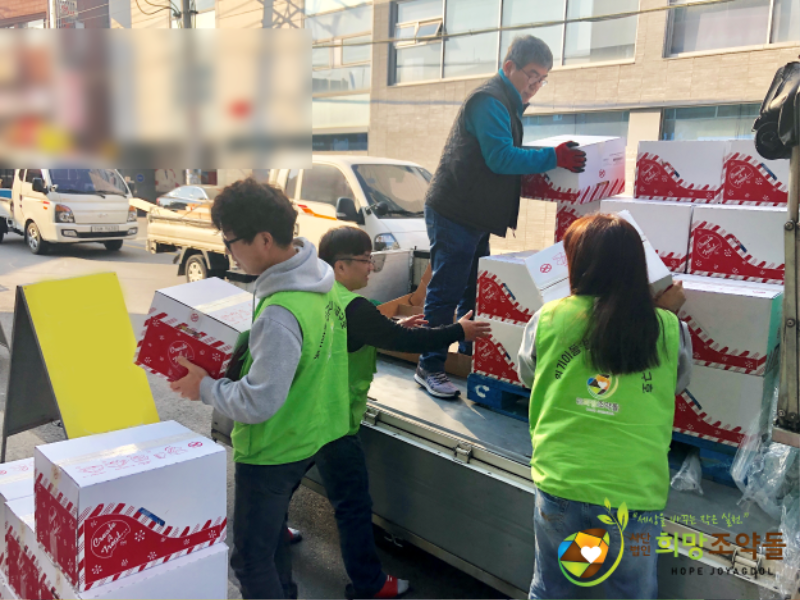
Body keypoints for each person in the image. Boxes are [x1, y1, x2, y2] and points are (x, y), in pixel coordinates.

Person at [169, 178, 351, 600]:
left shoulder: (280, 312)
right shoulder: (321, 283)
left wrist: (204, 387)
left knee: (250, 561)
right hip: (307, 435)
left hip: (271, 450)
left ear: (264, 240)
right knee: (272, 545)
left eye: (231, 241)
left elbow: (259, 401)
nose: (228, 251)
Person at [516, 214, 692, 600]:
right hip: (634, 493)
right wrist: (664, 313)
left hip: (562, 483)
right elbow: (676, 383)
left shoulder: (549, 318)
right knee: (631, 593)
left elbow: (529, 376)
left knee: (552, 588)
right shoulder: (667, 327)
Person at [312, 225, 491, 599]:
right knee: (353, 506)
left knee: (285, 477)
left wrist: (391, 324)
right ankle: (369, 584)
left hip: (308, 415)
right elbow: (404, 341)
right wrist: (458, 331)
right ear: (340, 266)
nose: (371, 268)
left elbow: (358, 332)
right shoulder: (355, 307)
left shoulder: (320, 296)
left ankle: (273, 530)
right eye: (366, 261)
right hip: (334, 423)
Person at [416, 35, 588, 399]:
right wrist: (553, 158)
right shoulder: (489, 100)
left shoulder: (508, 103)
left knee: (474, 290)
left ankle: (468, 355)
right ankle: (429, 365)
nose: (536, 84)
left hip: (475, 214)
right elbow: (501, 157)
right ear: (509, 67)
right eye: (532, 75)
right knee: (447, 291)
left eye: (543, 79)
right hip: (455, 211)